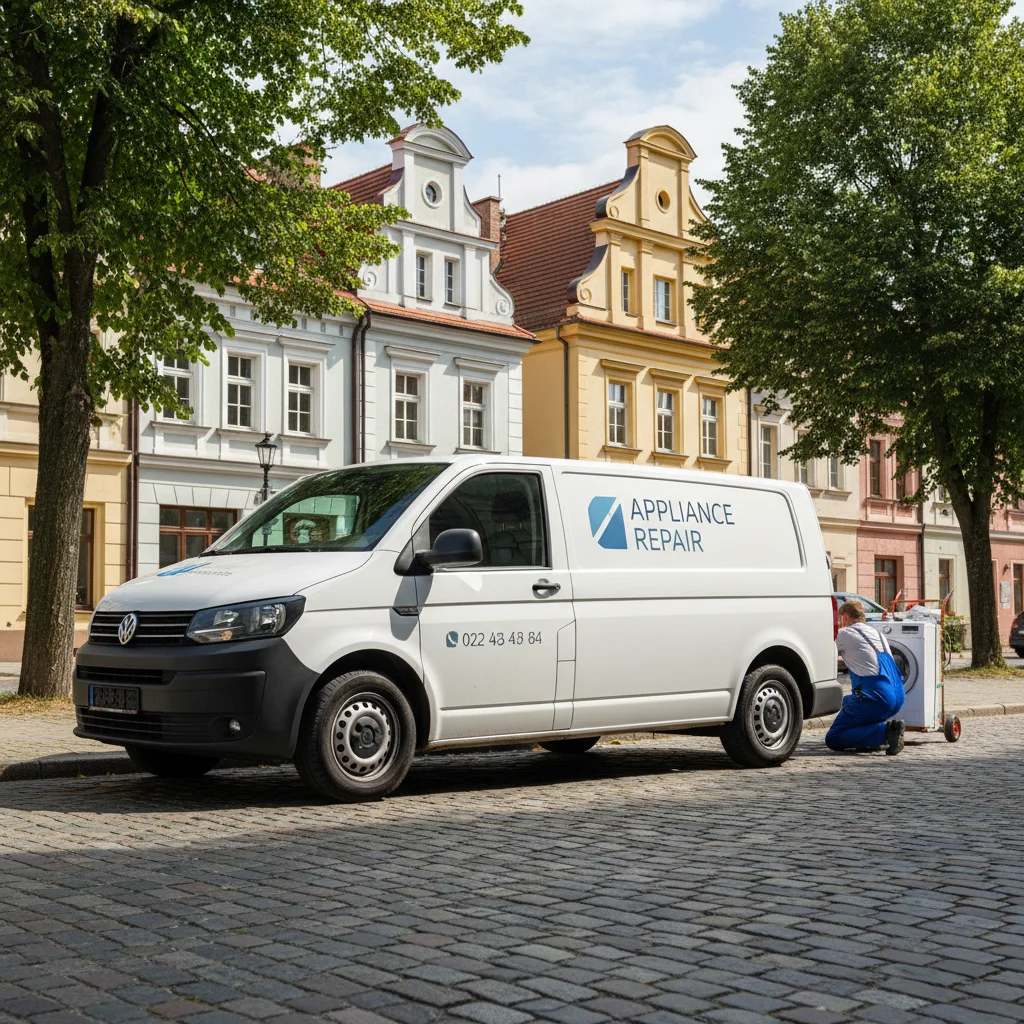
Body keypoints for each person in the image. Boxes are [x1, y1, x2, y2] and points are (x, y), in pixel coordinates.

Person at [826, 600, 906, 754]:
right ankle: (871, 738)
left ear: (845, 617)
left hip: (876, 697)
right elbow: (861, 656)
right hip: (898, 695)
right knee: (846, 701)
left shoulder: (845, 634)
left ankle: (887, 732)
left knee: (834, 737)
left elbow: (825, 653)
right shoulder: (877, 634)